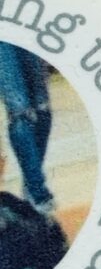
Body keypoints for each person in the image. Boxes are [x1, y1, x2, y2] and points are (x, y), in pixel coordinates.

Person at [0, 43, 54, 215]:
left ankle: (32, 188)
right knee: (19, 110)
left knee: (42, 108)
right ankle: (38, 192)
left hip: (25, 30)